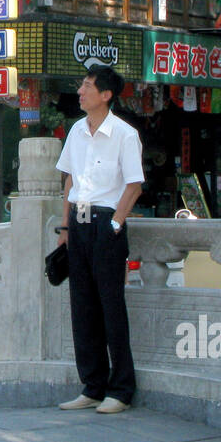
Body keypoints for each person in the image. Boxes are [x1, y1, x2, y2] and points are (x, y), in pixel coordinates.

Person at [54, 66, 144, 414]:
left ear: (106, 95)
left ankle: (120, 389)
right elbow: (70, 183)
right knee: (82, 306)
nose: (80, 91)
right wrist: (64, 229)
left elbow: (134, 185)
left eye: (88, 86)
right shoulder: (76, 131)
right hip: (77, 223)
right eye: (81, 85)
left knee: (111, 306)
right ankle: (92, 385)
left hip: (107, 224)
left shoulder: (125, 134)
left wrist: (116, 224)